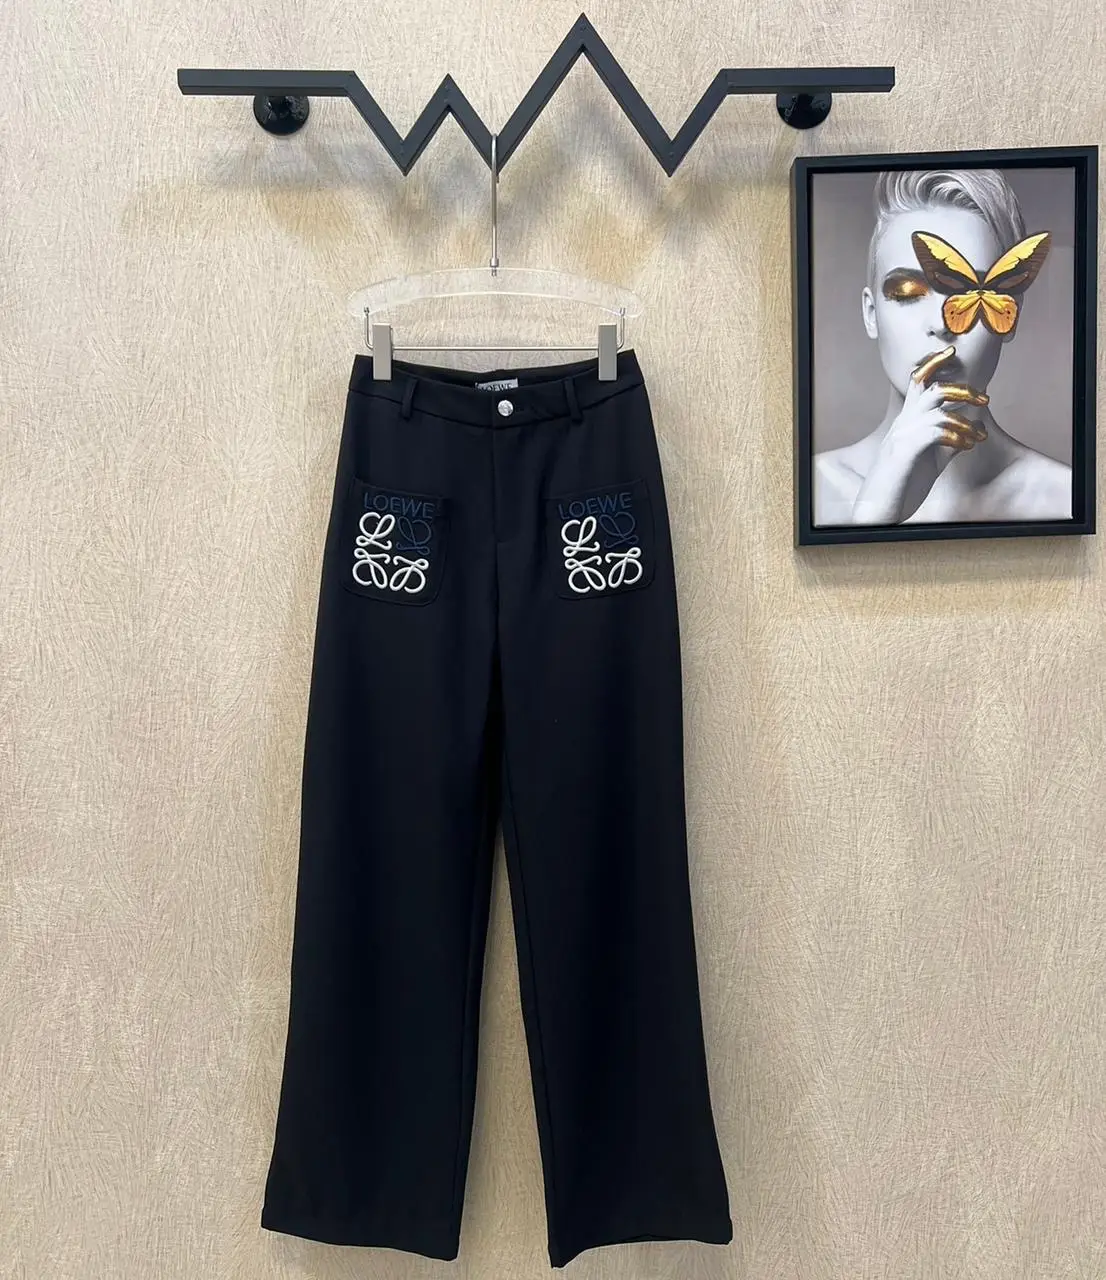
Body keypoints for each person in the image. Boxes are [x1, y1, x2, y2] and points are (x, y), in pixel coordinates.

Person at [814, 169, 1072, 526]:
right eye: (907, 293)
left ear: (1009, 315)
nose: (943, 322)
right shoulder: (813, 492)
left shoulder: (1063, 498)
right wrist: (872, 518)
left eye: (973, 293)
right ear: (871, 315)